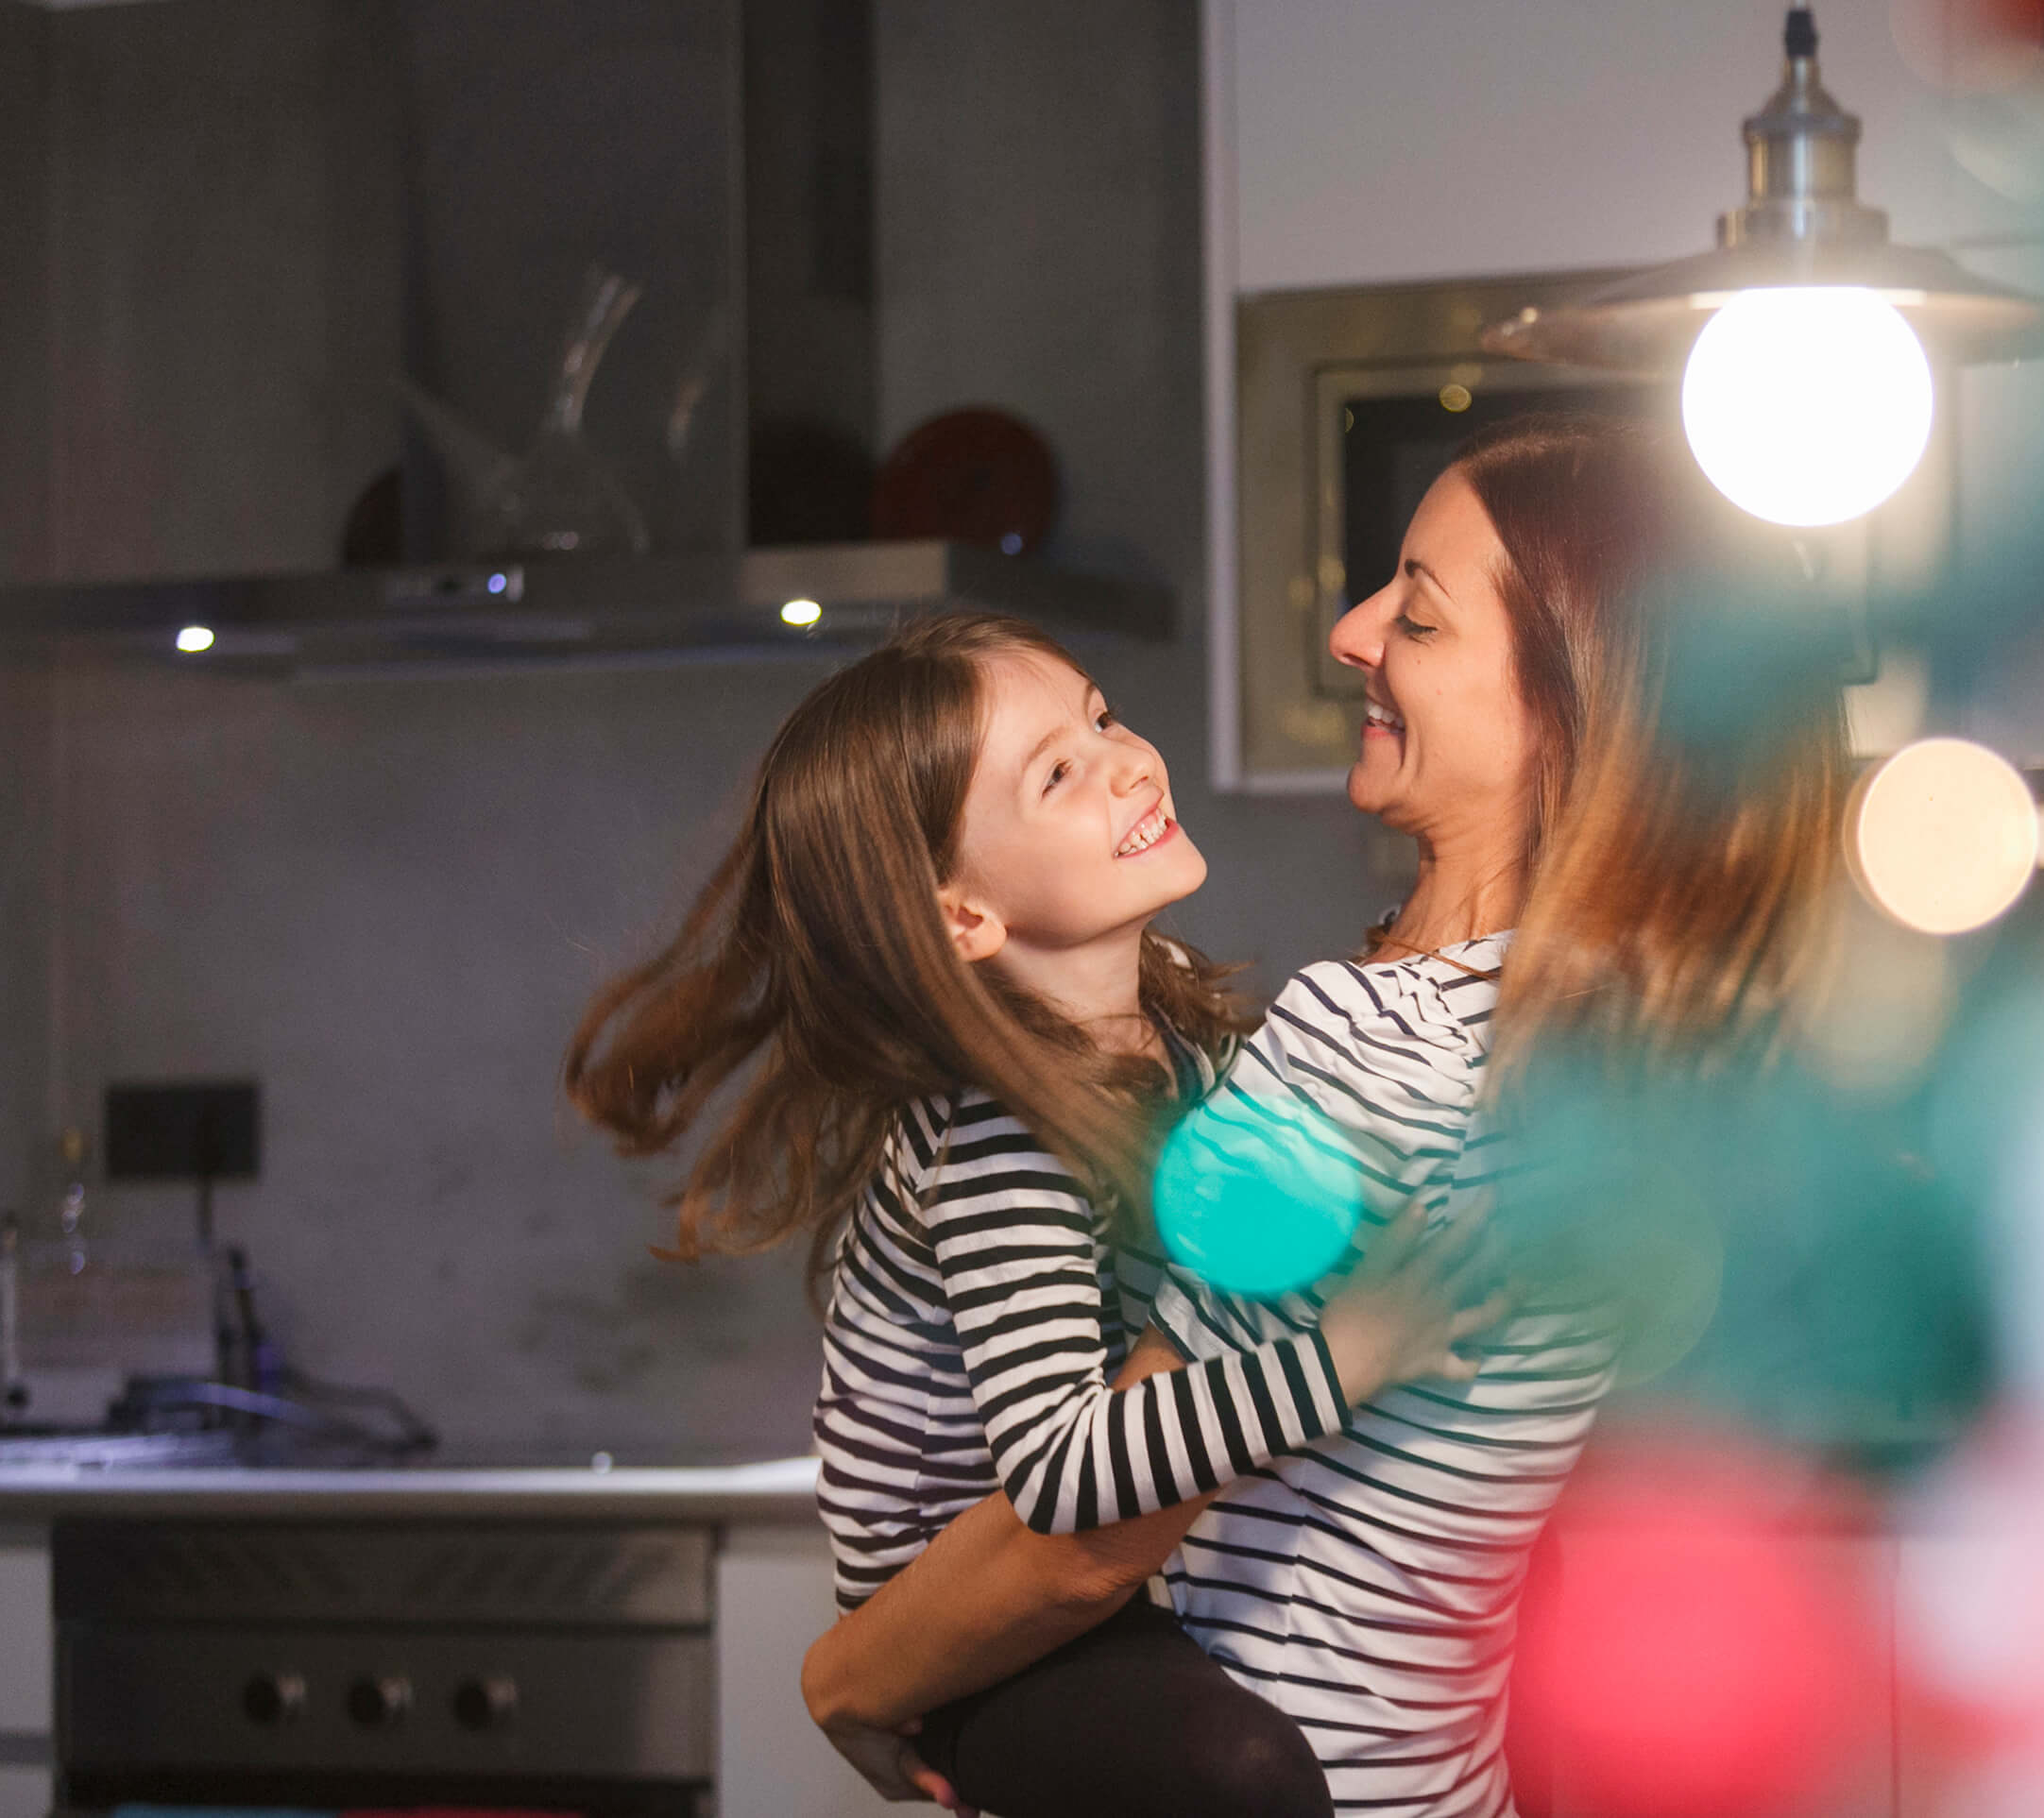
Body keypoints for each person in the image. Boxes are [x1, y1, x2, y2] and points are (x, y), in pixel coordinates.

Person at [803, 415, 1855, 1817]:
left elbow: (1083, 1540)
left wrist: (851, 1682)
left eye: (1416, 617)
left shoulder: (1369, 1043)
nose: (1353, 631)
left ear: (1570, 710)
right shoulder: (1621, 1048)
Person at [563, 612, 1491, 1818]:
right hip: (982, 1635)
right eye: (1059, 772)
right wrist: (1363, 1349)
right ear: (962, 917)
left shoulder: (1189, 1046)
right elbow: (1060, 1475)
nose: (1130, 760)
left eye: (1104, 717)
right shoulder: (999, 1131)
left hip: (1122, 1588)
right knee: (1245, 1776)